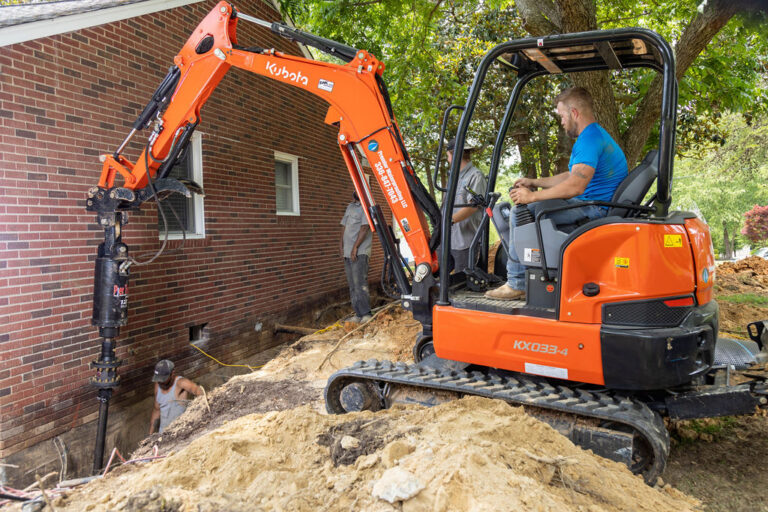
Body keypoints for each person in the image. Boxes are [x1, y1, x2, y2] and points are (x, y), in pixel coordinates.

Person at [486, 86, 628, 300]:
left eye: (562, 116)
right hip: (592, 204)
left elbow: (575, 187)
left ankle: (517, 283)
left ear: (574, 113)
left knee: (519, 213)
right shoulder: (595, 135)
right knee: (528, 210)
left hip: (594, 208)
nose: (561, 122)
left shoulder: (589, 140)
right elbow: (572, 176)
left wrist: (532, 196)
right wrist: (534, 182)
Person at [446, 137, 487, 274]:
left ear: (454, 155)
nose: (447, 160)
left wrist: (450, 220)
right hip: (448, 237)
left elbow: (473, 206)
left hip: (465, 240)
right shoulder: (453, 177)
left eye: (447, 156)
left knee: (461, 280)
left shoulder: (475, 176)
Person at [340, 192, 373, 322]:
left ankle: (366, 314)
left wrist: (355, 247)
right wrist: (341, 245)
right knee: (352, 284)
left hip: (360, 251)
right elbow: (343, 226)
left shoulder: (366, 207)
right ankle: (358, 314)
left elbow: (365, 227)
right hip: (348, 251)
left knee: (360, 283)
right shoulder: (350, 207)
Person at [148, 359, 202, 435]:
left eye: (163, 379)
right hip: (163, 434)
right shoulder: (157, 385)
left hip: (179, 432)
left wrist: (197, 413)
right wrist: (150, 434)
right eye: (158, 379)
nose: (160, 382)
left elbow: (199, 392)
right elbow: (156, 410)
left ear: (172, 373)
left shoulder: (181, 383)